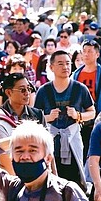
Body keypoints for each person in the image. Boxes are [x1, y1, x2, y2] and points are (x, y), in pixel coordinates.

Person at [34, 50, 96, 187]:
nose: (65, 67)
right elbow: (34, 117)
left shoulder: (80, 89)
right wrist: (47, 118)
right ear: (51, 67)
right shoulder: (44, 91)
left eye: (68, 63)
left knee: (76, 179)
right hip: (50, 140)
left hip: (73, 138)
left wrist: (78, 116)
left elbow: (92, 112)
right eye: (60, 64)